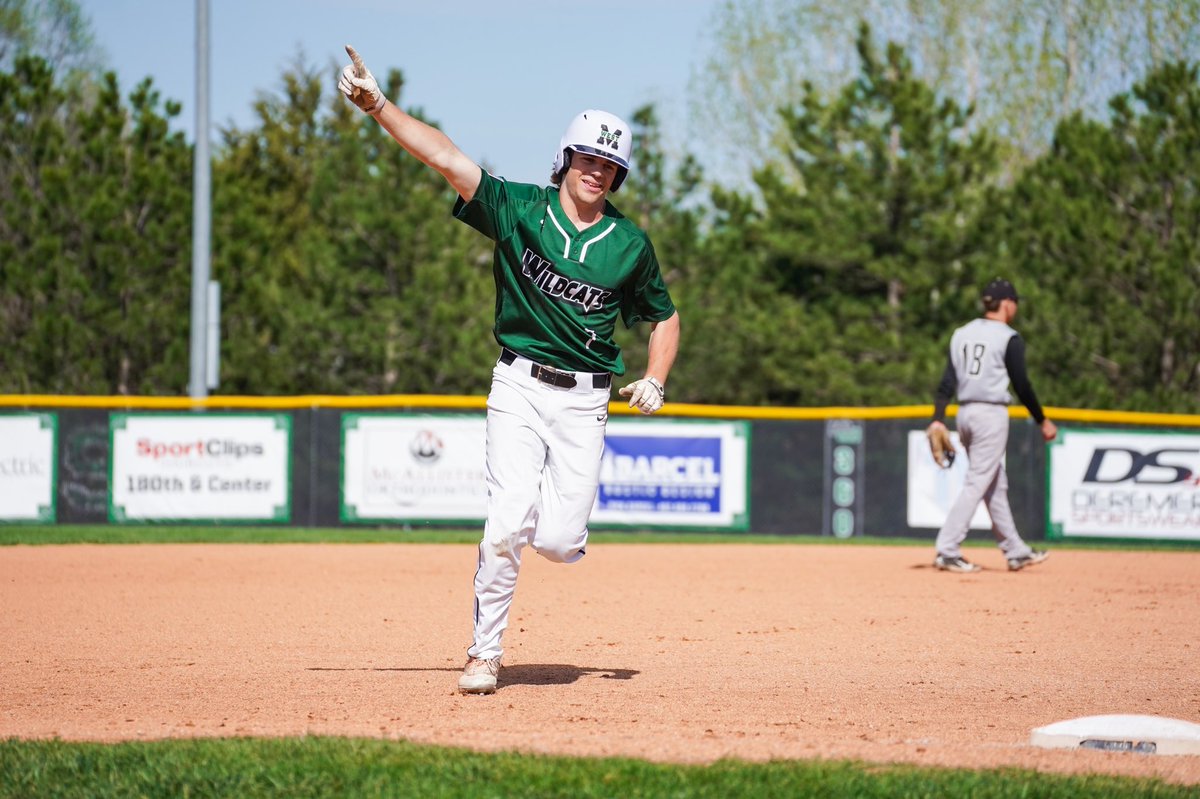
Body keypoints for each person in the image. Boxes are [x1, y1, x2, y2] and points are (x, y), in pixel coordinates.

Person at [338, 47, 681, 694]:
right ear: (565, 158)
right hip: (518, 386)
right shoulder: (519, 209)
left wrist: (657, 374)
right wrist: (379, 107)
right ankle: (483, 653)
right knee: (504, 525)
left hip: (585, 402)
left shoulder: (629, 245)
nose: (597, 172)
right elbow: (445, 157)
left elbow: (664, 315)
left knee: (554, 540)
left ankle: (553, 533)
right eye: (588, 157)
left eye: (610, 164)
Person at [927, 278, 1057, 573]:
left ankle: (1015, 550)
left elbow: (948, 380)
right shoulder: (1008, 337)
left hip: (965, 413)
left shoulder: (961, 333)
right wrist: (1042, 420)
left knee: (995, 484)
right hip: (991, 415)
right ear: (1008, 304)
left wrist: (937, 416)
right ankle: (947, 549)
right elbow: (1022, 385)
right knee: (977, 482)